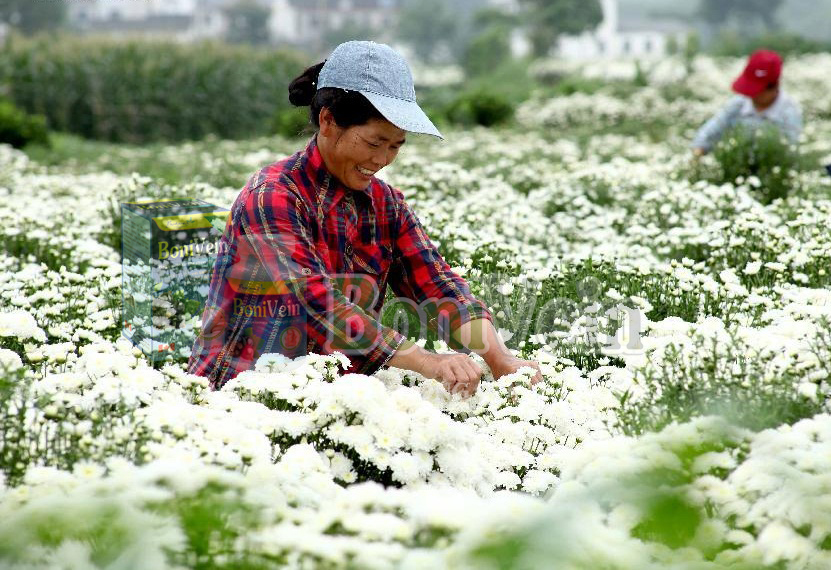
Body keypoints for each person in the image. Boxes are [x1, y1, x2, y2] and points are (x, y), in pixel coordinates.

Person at [187, 40, 542, 396]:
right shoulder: (273, 197)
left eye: (395, 145)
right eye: (374, 143)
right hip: (240, 395)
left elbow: (438, 287)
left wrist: (500, 360)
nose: (383, 159)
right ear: (327, 121)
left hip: (335, 396)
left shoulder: (386, 205)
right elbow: (318, 307)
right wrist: (426, 361)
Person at [692, 49, 802, 156]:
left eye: (757, 91)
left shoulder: (789, 112)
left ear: (773, 87)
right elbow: (709, 132)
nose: (752, 95)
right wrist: (698, 152)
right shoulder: (739, 103)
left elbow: (790, 153)